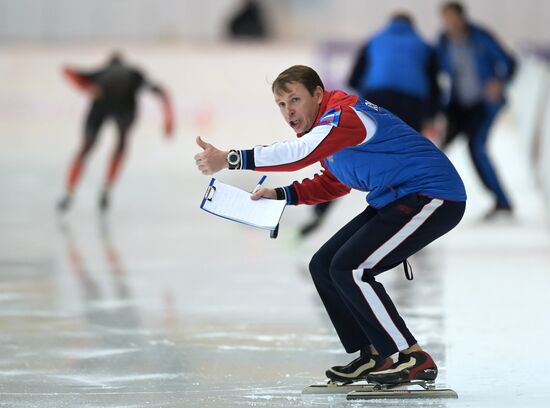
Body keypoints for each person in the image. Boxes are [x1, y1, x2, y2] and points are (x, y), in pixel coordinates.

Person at [194, 65, 466, 385]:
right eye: (281, 104)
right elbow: (334, 183)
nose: (288, 111)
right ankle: (376, 354)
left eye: (295, 99)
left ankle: (413, 356)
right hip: (396, 199)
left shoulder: (345, 117)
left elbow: (299, 155)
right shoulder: (324, 133)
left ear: (318, 95)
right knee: (324, 265)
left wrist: (231, 158)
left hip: (433, 195)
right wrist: (283, 194)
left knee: (353, 268)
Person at [299, 13, 441, 238]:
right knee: (407, 159)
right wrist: (432, 116)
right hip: (412, 102)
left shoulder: (375, 40)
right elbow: (435, 86)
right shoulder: (424, 46)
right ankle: (408, 211)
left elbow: (354, 79)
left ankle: (321, 210)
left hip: (378, 97)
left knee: (350, 155)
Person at [57, 52, 174, 212]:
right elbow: (160, 91)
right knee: (121, 143)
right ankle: (107, 188)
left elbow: (69, 72)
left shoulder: (101, 72)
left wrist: (85, 87)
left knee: (86, 147)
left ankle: (69, 192)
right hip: (125, 107)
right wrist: (169, 119)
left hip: (101, 104)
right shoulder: (134, 73)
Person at [437, 2, 516, 220]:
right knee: (437, 149)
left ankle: (502, 201)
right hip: (458, 107)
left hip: (483, 105)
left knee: (477, 147)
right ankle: (426, 196)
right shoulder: (443, 42)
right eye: (446, 19)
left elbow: (509, 63)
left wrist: (499, 82)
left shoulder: (481, 37)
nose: (449, 23)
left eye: (453, 18)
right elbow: (441, 74)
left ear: (462, 18)